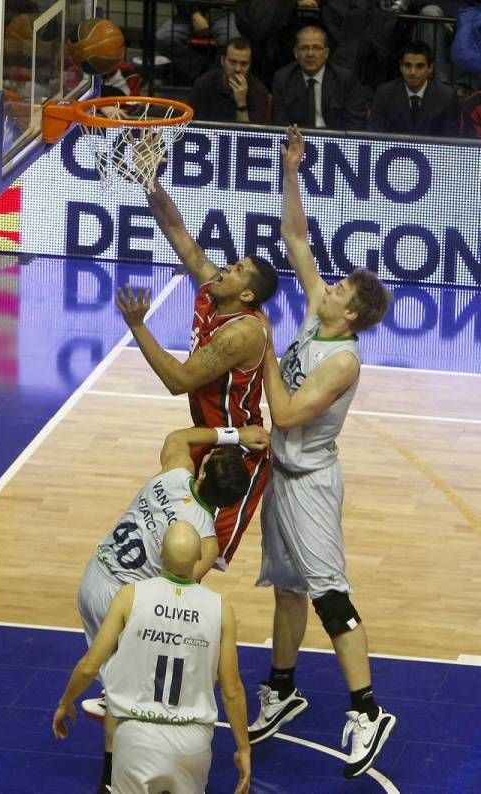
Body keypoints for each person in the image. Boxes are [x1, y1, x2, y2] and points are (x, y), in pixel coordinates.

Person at [248, 126, 397, 780]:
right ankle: (283, 689)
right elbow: (297, 240)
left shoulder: (341, 361)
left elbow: (281, 412)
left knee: (330, 596)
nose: (328, 286)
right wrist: (290, 170)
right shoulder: (315, 314)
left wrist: (260, 347)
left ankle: (368, 711)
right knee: (285, 589)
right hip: (280, 477)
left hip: (309, 482)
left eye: (340, 291)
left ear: (353, 316)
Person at [78, 424, 268, 792]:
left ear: (204, 466)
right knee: (133, 696)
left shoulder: (173, 474)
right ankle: (111, 776)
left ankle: (113, 697)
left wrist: (235, 436)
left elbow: (179, 437)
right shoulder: (206, 543)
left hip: (93, 576)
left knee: (120, 682)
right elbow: (172, 586)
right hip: (121, 599)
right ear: (229, 505)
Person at [115, 188, 279, 568]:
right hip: (205, 435)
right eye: (232, 263)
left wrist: (138, 326)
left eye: (238, 271)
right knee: (166, 538)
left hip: (237, 452)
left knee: (198, 559)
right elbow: (181, 235)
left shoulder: (241, 333)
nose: (226, 269)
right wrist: (148, 178)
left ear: (248, 294)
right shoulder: (213, 292)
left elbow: (179, 380)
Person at [53, 521, 251, 794]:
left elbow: (89, 666)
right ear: (198, 559)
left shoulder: (130, 596)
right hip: (192, 741)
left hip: (137, 737)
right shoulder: (220, 609)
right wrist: (243, 748)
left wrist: (66, 701)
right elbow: (232, 690)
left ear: (159, 552)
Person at [272, 25, 367, 130]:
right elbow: (280, 124)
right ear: (296, 53)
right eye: (304, 48)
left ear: (326, 53)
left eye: (317, 48)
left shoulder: (345, 79)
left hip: (335, 141)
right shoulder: (283, 79)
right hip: (298, 141)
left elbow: (355, 124)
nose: (310, 54)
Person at [369, 40, 460, 136]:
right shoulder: (384, 93)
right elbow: (376, 135)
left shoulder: (446, 96)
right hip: (394, 150)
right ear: (400, 67)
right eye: (407, 65)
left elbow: (450, 139)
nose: (412, 72)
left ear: (430, 68)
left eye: (419, 66)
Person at [188, 36, 269, 124]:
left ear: (250, 65)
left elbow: (250, 136)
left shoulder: (259, 91)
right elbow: (193, 126)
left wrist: (241, 103)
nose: (238, 69)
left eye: (244, 64)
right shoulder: (204, 84)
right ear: (223, 61)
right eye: (232, 62)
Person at [156, 2, 240, 84]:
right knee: (163, 38)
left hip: (223, 13)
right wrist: (194, 13)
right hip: (188, 14)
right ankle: (205, 73)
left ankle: (219, 81)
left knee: (233, 42)